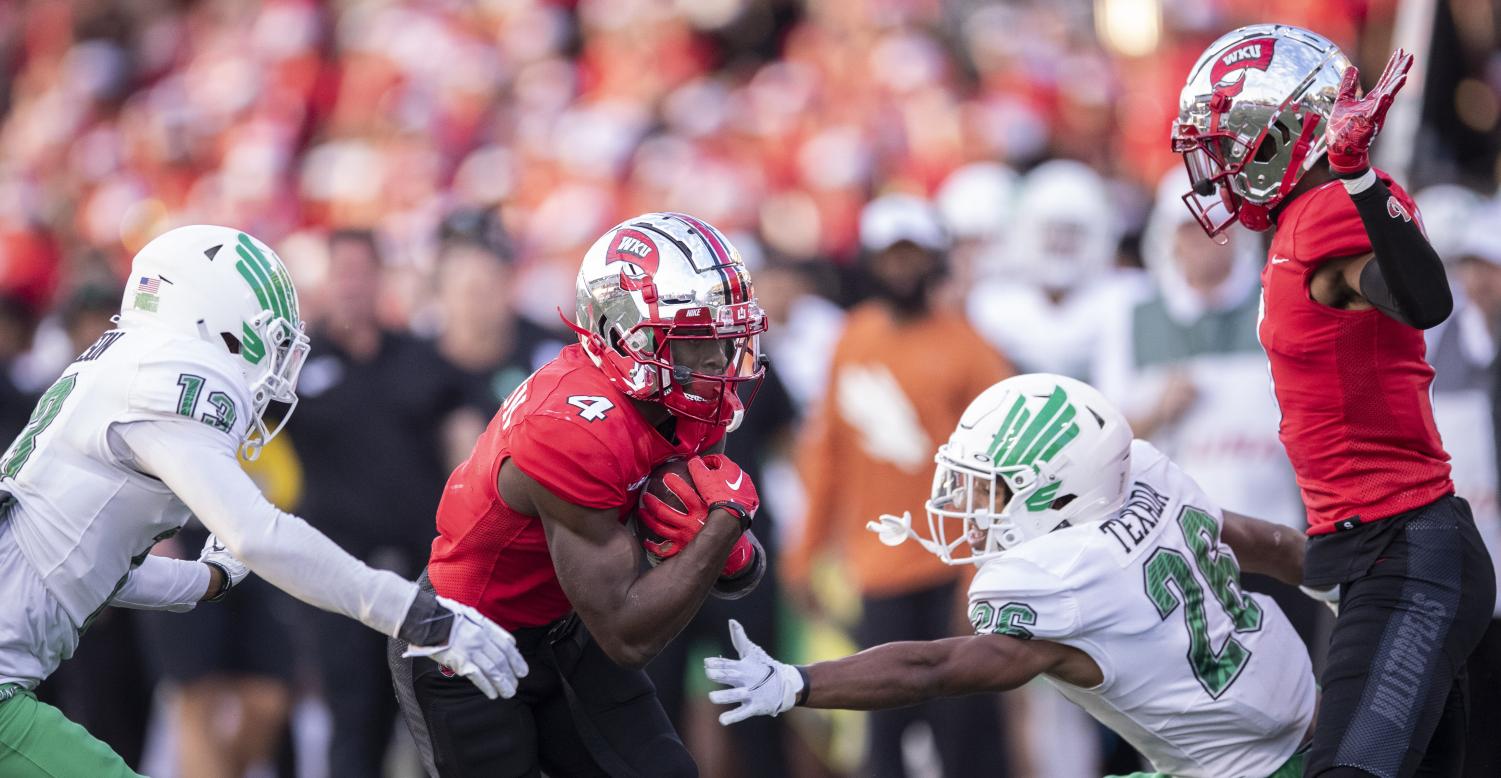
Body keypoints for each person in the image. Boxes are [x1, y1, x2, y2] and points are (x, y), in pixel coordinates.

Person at [0, 225, 527, 777]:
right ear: (208, 314)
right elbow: (257, 534)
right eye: (258, 335)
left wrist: (208, 581)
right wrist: (418, 616)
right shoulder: (166, 377)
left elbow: (92, 567)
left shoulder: (121, 364)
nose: (269, 360)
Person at [705, 373, 1318, 778]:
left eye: (990, 491)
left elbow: (934, 668)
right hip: (1305, 710)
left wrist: (796, 682)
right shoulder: (1144, 479)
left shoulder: (1067, 580)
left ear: (1058, 496)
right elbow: (1272, 544)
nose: (965, 505)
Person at [1170, 25, 1496, 777]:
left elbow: (1423, 299)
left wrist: (1357, 180)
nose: (1213, 164)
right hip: (1371, 551)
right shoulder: (1294, 223)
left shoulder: (1332, 212)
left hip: (1406, 550)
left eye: (1225, 141)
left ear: (1278, 131)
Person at [389, 212, 770, 777]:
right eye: (695, 339)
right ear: (626, 333)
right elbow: (626, 636)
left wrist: (721, 546)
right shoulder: (572, 428)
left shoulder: (678, 396)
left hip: (569, 621)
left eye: (724, 336)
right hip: (465, 640)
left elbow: (731, 570)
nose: (718, 361)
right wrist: (720, 531)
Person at [786, 193, 1011, 778]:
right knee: (882, 739)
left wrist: (981, 572)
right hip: (875, 570)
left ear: (934, 257)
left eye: (913, 254)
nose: (903, 268)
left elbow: (1003, 470)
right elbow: (826, 454)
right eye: (891, 256)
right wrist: (805, 554)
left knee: (969, 738)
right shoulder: (852, 339)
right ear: (870, 260)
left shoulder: (969, 345)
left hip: (951, 569)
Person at [289, 228, 480, 776]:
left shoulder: (423, 360)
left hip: (425, 573)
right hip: (339, 579)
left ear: (379, 279)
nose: (351, 285)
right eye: (341, 272)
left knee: (436, 719)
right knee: (353, 722)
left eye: (361, 271)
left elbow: (466, 439)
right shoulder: (296, 369)